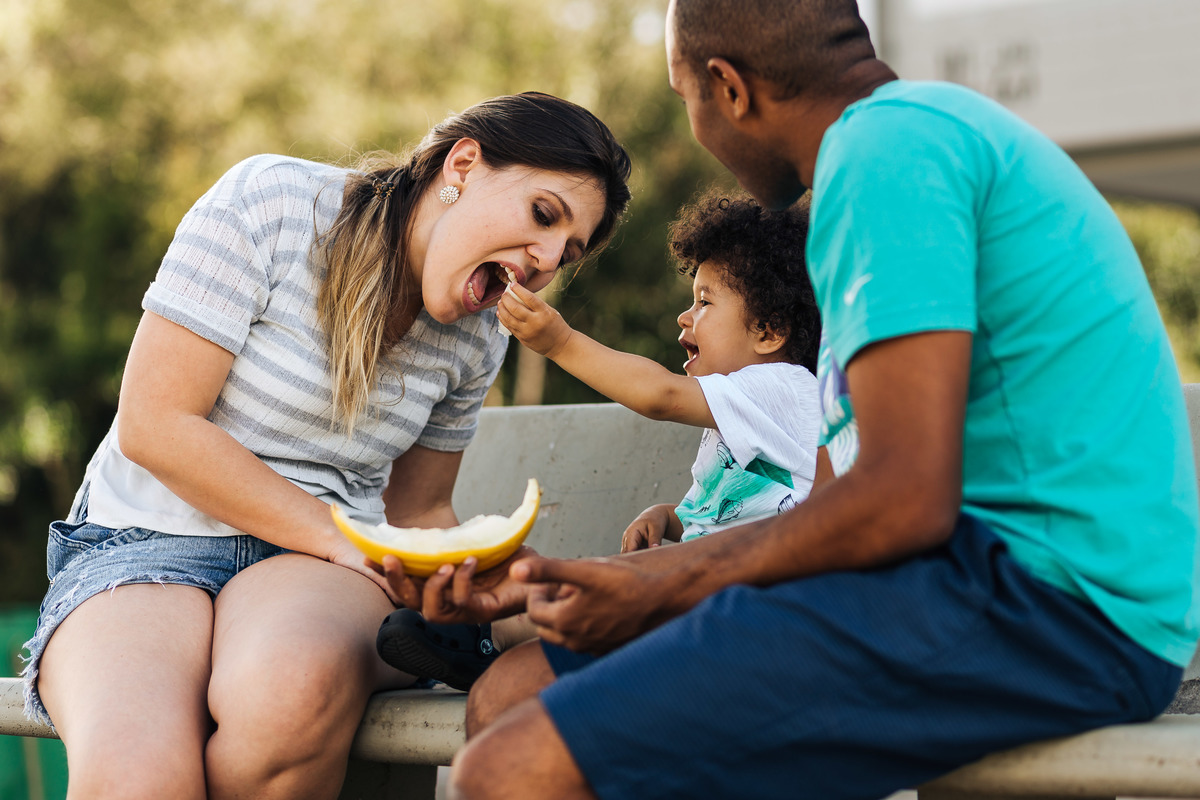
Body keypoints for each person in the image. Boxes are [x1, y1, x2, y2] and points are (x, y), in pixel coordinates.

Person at [385, 3, 1200, 799]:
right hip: (969, 584)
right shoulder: (899, 156)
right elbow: (841, 501)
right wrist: (586, 582)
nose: (697, 128)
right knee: (506, 703)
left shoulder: (888, 155)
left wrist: (657, 587)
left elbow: (902, 502)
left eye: (687, 100)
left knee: (511, 772)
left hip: (1056, 606)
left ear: (729, 88)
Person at [20, 92, 630, 800]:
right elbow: (156, 426)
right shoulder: (271, 201)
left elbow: (420, 509)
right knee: (139, 778)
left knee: (288, 697)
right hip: (144, 539)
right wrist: (343, 540)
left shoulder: (480, 332)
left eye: (567, 252)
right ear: (463, 163)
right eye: (543, 215)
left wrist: (482, 578)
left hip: (316, 571)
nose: (545, 261)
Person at [375, 191, 829, 691]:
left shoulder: (791, 388)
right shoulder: (738, 416)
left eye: (704, 302)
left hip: (753, 604)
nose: (685, 317)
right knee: (615, 580)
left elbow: (658, 394)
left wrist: (559, 342)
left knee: (607, 579)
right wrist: (670, 517)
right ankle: (492, 638)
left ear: (769, 330)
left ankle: (490, 636)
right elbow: (727, 512)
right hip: (703, 593)